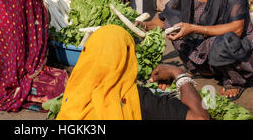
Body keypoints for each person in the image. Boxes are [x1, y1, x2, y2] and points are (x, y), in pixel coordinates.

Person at [56, 25, 209, 120]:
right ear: (128, 57)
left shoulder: (73, 95)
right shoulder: (136, 98)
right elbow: (199, 118)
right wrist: (179, 74)